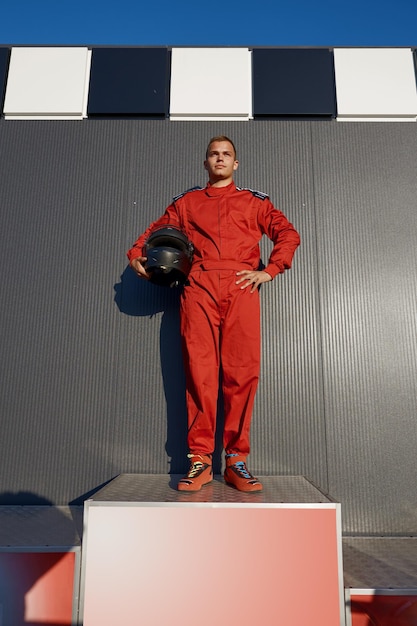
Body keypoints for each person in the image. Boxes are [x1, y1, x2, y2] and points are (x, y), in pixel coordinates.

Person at [128, 136, 300, 493]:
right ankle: (200, 460)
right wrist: (135, 256)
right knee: (200, 374)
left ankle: (237, 460)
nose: (220, 159)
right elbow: (152, 235)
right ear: (205, 163)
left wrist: (270, 270)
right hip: (199, 289)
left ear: (235, 164)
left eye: (226, 155)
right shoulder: (187, 203)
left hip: (241, 287)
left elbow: (288, 235)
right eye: (213, 154)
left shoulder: (254, 202)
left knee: (242, 374)